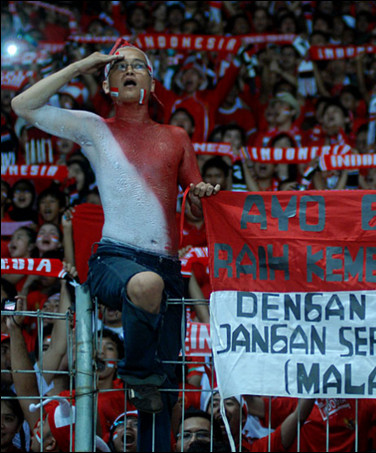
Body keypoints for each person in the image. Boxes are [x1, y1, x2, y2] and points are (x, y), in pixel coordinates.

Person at [11, 42, 220, 452]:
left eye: (138, 66)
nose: (129, 70)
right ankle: (137, 374)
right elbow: (23, 105)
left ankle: (148, 390)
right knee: (145, 293)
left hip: (167, 268)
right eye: (119, 66)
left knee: (165, 395)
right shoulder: (94, 128)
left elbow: (194, 199)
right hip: (115, 259)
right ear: (107, 84)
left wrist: (201, 196)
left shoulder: (176, 136)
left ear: (152, 84)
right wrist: (83, 65)